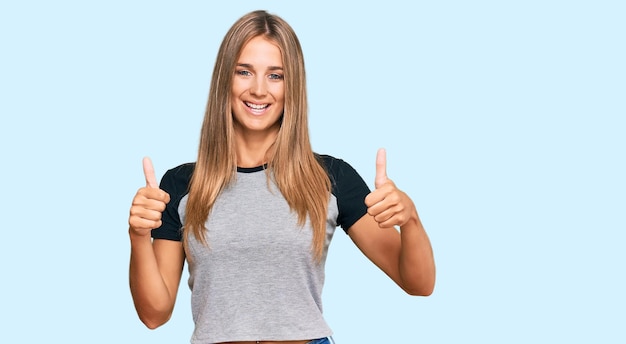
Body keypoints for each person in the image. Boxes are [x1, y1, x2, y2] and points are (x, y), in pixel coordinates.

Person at [128, 9, 435, 344]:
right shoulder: (182, 186)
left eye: (276, 76)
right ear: (224, 79)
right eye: (244, 71)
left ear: (293, 86)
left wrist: (411, 218)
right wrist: (139, 236)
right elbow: (154, 315)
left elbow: (418, 284)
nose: (259, 89)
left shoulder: (329, 178)